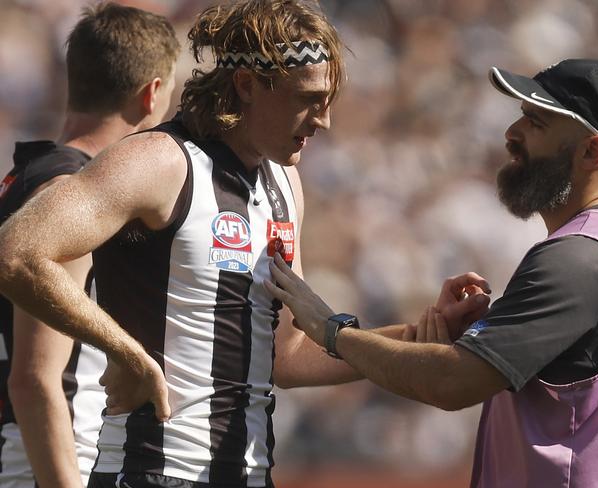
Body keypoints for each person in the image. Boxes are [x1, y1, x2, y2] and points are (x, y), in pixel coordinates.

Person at [0, 1, 491, 487]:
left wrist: (416, 335)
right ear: (247, 85)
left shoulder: (285, 185)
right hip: (152, 470)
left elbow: (287, 356)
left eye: (329, 101)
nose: (323, 122)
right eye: (308, 99)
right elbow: (16, 252)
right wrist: (125, 352)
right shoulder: (159, 161)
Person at [265, 58, 598, 487]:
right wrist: (455, 339)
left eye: (536, 123)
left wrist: (331, 330)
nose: (511, 134)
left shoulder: (577, 259)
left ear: (592, 151)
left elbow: (451, 382)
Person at [0, 3, 179, 487]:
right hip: (48, 464)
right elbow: (36, 378)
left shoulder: (26, 179)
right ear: (152, 95)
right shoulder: (67, 193)